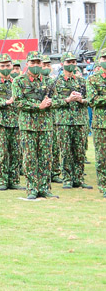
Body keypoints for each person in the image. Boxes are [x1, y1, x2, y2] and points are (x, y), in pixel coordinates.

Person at [13, 51, 58, 200]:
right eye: (33, 63)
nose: (36, 65)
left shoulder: (49, 81)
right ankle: (32, 188)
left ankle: (45, 188)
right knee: (30, 158)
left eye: (38, 63)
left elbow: (56, 100)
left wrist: (50, 103)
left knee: (46, 157)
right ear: (27, 64)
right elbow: (18, 102)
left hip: (45, 125)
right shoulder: (18, 81)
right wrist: (38, 105)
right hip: (28, 125)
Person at [52, 52, 91, 190]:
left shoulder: (82, 81)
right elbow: (52, 102)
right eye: (69, 62)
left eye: (74, 62)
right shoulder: (56, 82)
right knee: (66, 151)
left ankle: (79, 179)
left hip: (79, 121)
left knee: (79, 151)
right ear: (63, 64)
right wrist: (67, 100)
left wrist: (81, 100)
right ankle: (67, 179)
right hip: (63, 121)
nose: (72, 64)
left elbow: (90, 100)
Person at [0, 54, 21, 191]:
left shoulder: (17, 83)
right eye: (2, 66)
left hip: (16, 122)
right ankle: (2, 180)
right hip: (0, 123)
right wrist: (6, 102)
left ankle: (14, 180)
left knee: (16, 153)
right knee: (2, 153)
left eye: (8, 65)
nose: (5, 68)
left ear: (12, 67)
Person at [85, 50, 106, 198]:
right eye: (104, 58)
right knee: (102, 156)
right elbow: (92, 100)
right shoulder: (93, 80)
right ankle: (104, 185)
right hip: (101, 123)